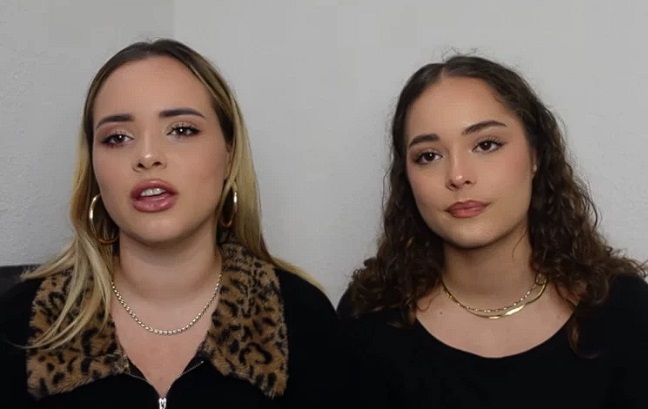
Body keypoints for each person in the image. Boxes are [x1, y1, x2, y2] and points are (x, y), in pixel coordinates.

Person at [0, 38, 342, 408]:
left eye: (182, 130)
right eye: (117, 137)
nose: (148, 156)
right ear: (94, 169)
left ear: (229, 155)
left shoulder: (302, 317)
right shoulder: (19, 321)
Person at [338, 54, 648, 408]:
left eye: (486, 145)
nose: (457, 176)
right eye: (428, 156)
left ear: (536, 155)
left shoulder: (623, 311)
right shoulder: (368, 319)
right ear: (406, 178)